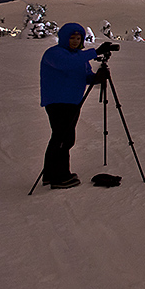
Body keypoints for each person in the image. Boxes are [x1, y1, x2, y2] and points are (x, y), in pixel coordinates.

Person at [39, 22, 105, 189]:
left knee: (61, 137)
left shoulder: (79, 57)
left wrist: (98, 77)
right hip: (57, 102)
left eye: (78, 38)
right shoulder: (54, 53)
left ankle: (50, 174)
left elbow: (86, 76)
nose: (75, 41)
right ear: (63, 38)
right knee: (63, 138)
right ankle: (59, 177)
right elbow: (66, 64)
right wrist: (94, 52)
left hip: (73, 102)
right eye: (72, 37)